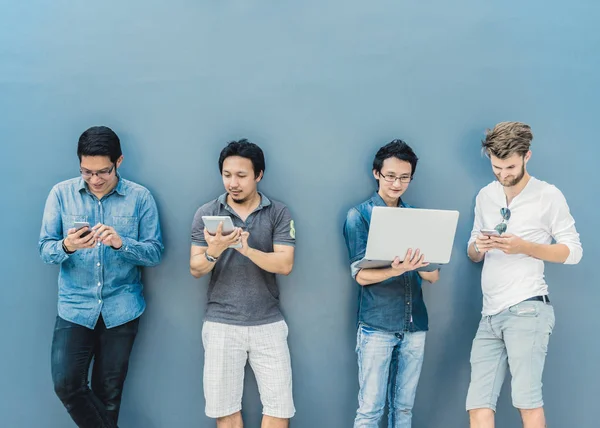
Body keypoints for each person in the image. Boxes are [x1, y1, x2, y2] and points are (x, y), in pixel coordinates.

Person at [39, 126, 164, 427]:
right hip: (75, 308)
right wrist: (67, 246)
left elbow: (155, 253)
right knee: (67, 385)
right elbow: (45, 250)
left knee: (109, 395)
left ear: (118, 162)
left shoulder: (140, 198)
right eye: (86, 171)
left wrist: (122, 244)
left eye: (103, 172)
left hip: (121, 308)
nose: (94, 180)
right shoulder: (61, 194)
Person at [465, 122, 583, 428]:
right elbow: (472, 252)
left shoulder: (548, 195)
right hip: (489, 314)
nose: (503, 174)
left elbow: (573, 251)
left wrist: (524, 246)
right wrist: (478, 246)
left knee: (527, 402)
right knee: (478, 405)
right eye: (496, 167)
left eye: (510, 167)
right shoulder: (485, 196)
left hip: (528, 310)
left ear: (527, 157)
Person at [190, 139, 296, 428]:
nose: (232, 183)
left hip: (269, 322)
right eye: (227, 174)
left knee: (279, 406)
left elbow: (285, 264)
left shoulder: (278, 212)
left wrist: (246, 249)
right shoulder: (206, 213)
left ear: (258, 175)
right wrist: (216, 249)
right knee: (225, 409)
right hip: (221, 323)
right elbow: (196, 268)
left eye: (241, 175)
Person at [343, 139, 440, 428]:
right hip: (377, 326)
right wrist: (396, 269)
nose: (397, 184)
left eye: (404, 178)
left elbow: (433, 276)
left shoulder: (417, 217)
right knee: (370, 410)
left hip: (415, 326)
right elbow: (360, 275)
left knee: (404, 410)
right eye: (390, 176)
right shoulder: (358, 215)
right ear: (377, 174)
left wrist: (421, 264)